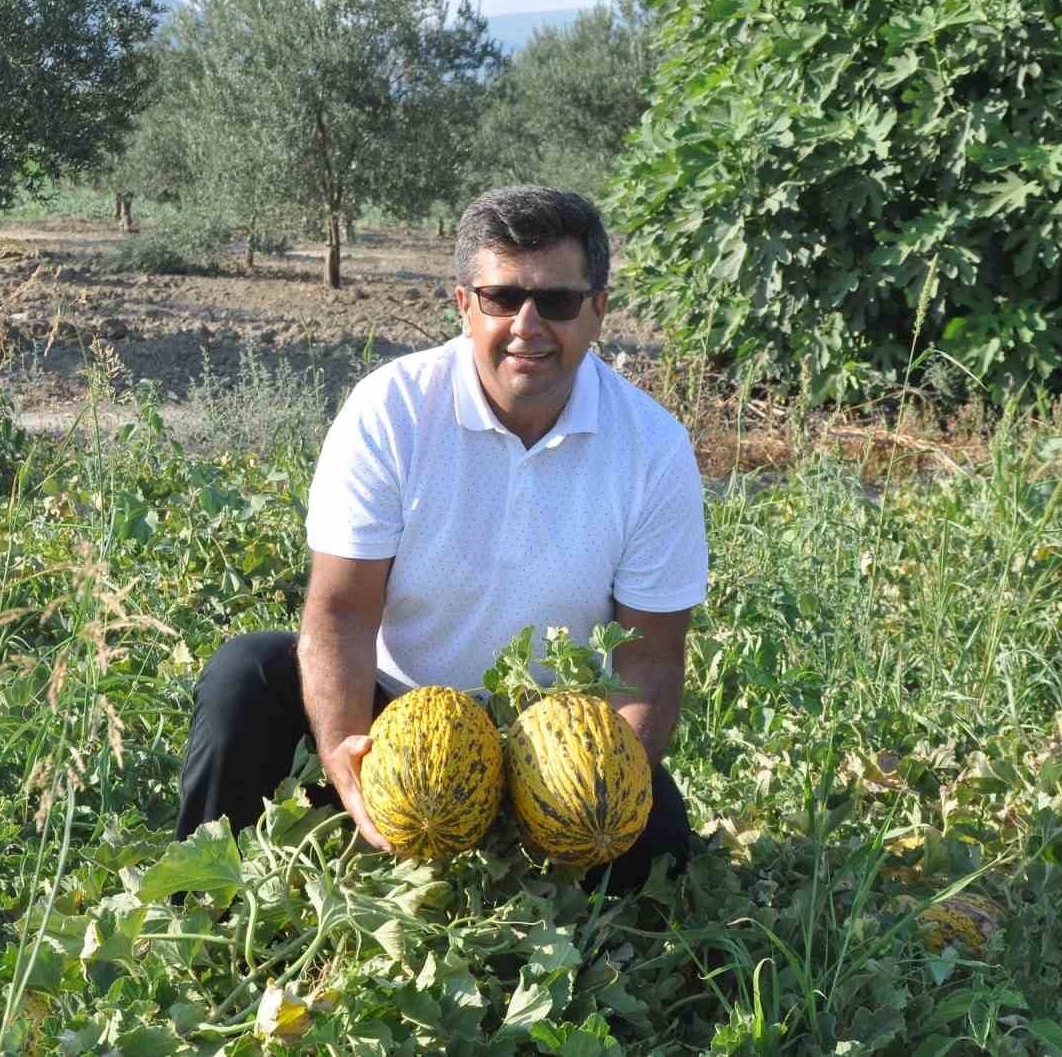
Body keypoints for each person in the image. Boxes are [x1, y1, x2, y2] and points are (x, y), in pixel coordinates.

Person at [175, 186, 708, 893]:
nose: (527, 326)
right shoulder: (390, 411)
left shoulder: (652, 447)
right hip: (393, 713)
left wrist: (596, 793)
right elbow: (342, 611)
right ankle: (194, 911)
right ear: (463, 304)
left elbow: (648, 659)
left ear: (598, 309)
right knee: (247, 675)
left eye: (556, 301)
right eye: (500, 298)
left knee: (658, 843)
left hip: (545, 744)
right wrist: (344, 751)